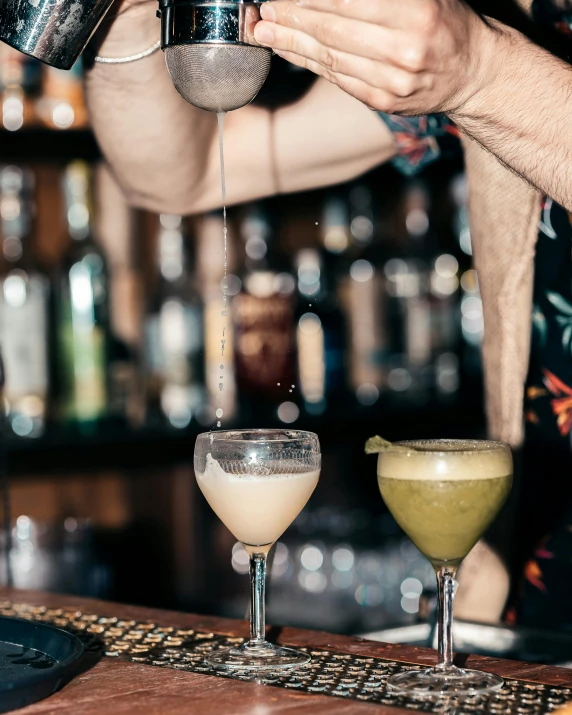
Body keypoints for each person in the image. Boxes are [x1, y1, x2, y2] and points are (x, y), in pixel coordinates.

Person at [85, 0, 572, 627]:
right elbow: (184, 173)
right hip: (537, 591)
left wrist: (485, 72)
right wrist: (122, 18)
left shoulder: (494, 40)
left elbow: (486, 70)